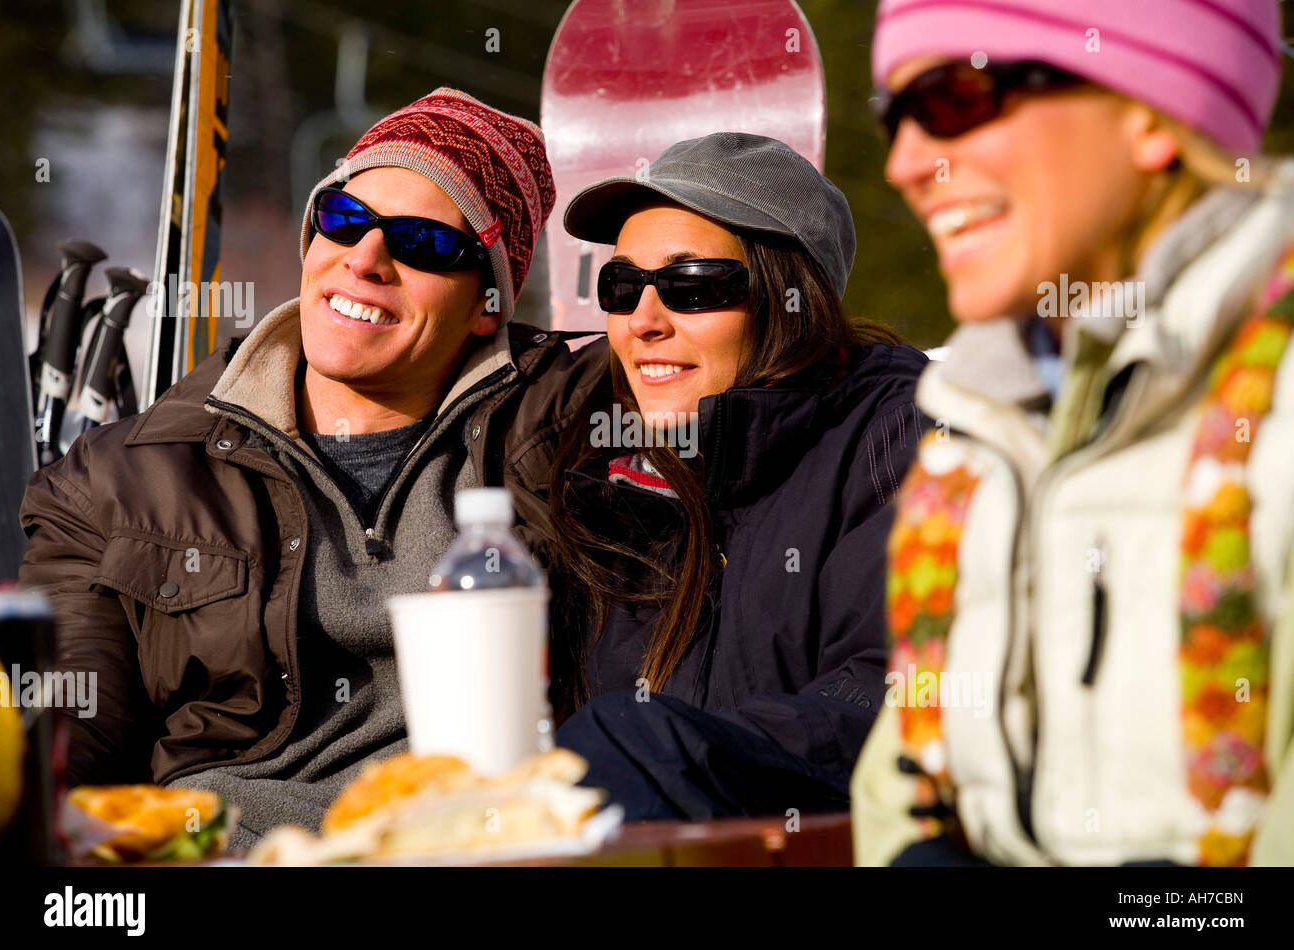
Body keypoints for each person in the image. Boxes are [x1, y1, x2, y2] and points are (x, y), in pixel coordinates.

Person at [18, 89, 602, 847]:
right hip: (223, 852)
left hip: (469, 843)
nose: (365, 259)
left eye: (421, 243)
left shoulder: (569, 438)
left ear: (488, 304)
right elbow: (70, 731)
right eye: (345, 220)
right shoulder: (119, 481)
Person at [852, 0, 1294, 865]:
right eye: (891, 116)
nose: (905, 163)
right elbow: (898, 796)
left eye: (953, 98)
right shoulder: (975, 428)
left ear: (1148, 114)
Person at [543, 132, 929, 820]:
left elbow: (887, 697)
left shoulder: (896, 434)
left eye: (693, 287)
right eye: (622, 286)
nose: (643, 321)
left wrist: (656, 752)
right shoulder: (605, 475)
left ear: (791, 300)